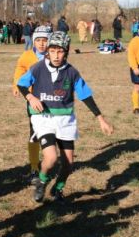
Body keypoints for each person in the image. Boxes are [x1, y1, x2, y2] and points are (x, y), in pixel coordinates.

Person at [16, 31, 113, 203]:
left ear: (66, 52)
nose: (56, 55)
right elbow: (22, 84)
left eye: (60, 51)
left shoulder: (72, 72)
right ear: (47, 51)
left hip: (65, 120)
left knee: (68, 164)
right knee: (51, 157)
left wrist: (101, 119)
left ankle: (58, 189)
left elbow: (85, 95)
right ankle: (42, 180)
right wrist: (30, 97)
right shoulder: (38, 68)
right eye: (52, 51)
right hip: (43, 118)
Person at [12, 26, 52, 184]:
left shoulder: (54, 55)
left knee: (51, 133)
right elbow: (19, 69)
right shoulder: (27, 56)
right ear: (34, 41)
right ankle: (34, 168)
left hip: (52, 100)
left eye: (45, 40)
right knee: (34, 133)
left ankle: (51, 162)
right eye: (38, 40)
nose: (42, 44)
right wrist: (16, 85)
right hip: (33, 98)